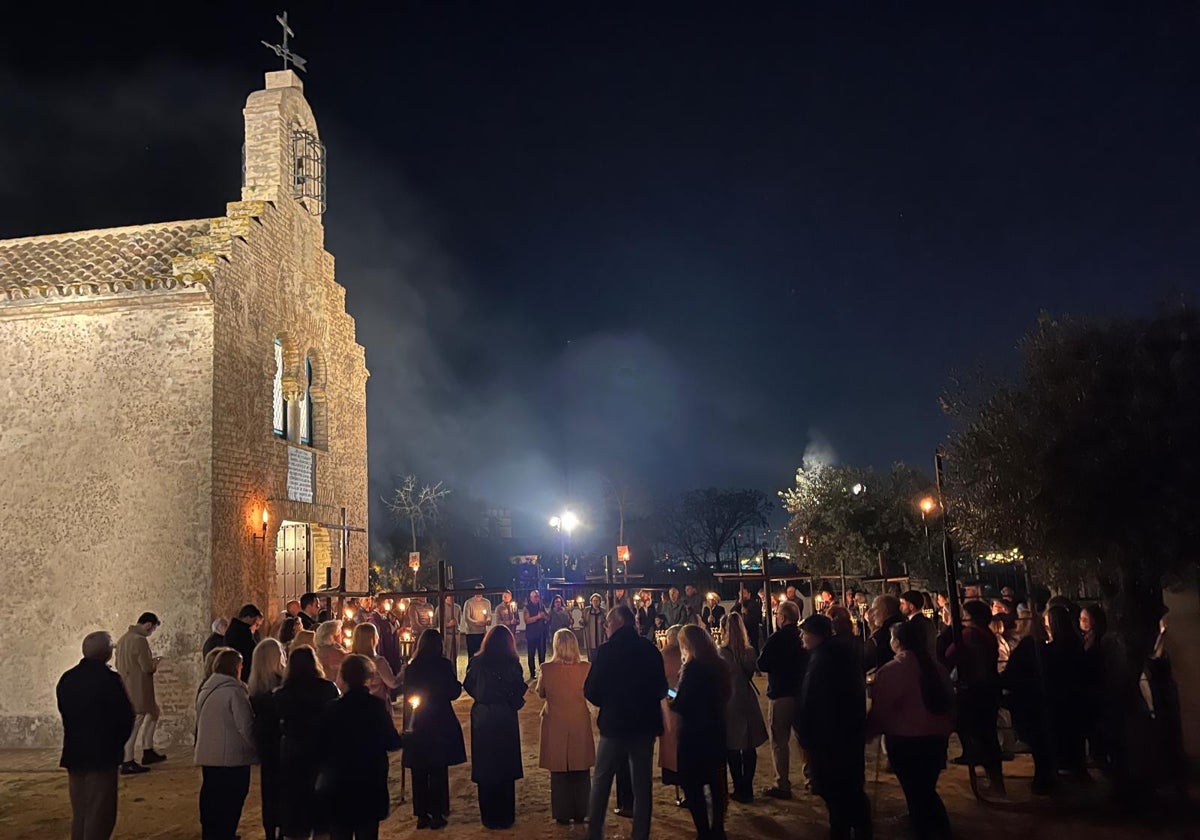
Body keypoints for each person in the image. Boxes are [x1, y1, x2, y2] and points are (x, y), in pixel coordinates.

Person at [584, 606, 667, 840]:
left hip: (615, 725)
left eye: (607, 623)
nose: (605, 627)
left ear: (618, 622)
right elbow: (661, 687)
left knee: (601, 781)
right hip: (644, 726)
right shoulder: (650, 650)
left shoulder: (606, 652)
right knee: (642, 787)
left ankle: (594, 834)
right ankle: (640, 835)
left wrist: (608, 703)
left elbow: (590, 690)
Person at [867, 621, 954, 840]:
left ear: (896, 642)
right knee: (924, 789)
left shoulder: (894, 670)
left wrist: (870, 730)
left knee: (918, 792)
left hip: (907, 740)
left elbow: (882, 708)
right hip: (936, 738)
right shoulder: (935, 666)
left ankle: (928, 829)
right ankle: (934, 828)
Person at [797, 615, 872, 840]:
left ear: (816, 635)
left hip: (831, 739)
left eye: (804, 633)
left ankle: (846, 830)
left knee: (838, 792)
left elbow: (816, 701)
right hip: (845, 735)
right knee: (848, 789)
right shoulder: (836, 654)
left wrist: (806, 733)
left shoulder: (824, 659)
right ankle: (857, 828)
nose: (801, 637)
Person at [57, 631, 135, 840]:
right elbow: (125, 718)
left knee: (80, 812)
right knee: (100, 815)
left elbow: (65, 712)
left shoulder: (67, 678)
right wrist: (116, 745)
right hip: (102, 756)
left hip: (75, 753)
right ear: (107, 652)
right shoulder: (109, 680)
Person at [319, 655, 404, 840]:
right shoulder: (375, 707)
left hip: (339, 782)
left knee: (340, 832)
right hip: (369, 781)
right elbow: (392, 742)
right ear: (368, 678)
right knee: (367, 832)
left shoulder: (332, 708)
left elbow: (321, 744)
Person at [464, 625, 528, 829]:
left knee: (486, 765)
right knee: (505, 764)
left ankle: (489, 815)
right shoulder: (512, 663)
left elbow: (469, 684)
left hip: (483, 717)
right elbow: (519, 688)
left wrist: (482, 699)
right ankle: (505, 814)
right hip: (504, 716)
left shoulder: (477, 662)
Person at [672, 625, 732, 840]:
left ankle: (704, 832)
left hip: (693, 735)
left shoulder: (692, 668)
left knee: (693, 785)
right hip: (715, 729)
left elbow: (682, 702)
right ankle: (718, 829)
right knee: (716, 784)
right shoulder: (719, 665)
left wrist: (672, 698)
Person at [403, 629, 467, 829]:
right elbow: (453, 691)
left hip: (419, 720)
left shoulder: (413, 668)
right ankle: (437, 813)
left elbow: (407, 692)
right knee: (438, 769)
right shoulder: (443, 665)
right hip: (439, 720)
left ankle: (422, 814)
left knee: (419, 769)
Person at [276, 645, 340, 839]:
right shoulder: (328, 689)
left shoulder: (282, 694)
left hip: (294, 755)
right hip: (322, 754)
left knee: (297, 809)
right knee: (321, 814)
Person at [195, 648, 257, 840]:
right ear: (236, 667)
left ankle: (211, 833)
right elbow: (246, 726)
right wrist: (257, 747)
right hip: (231, 757)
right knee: (232, 799)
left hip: (209, 755)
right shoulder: (234, 692)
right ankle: (225, 833)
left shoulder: (206, 689)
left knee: (211, 797)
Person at [947, 599, 1006, 797]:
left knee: (981, 736)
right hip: (988, 686)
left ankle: (994, 782)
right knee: (987, 735)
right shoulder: (987, 633)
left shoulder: (969, 634)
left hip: (974, 688)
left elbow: (950, 653)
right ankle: (996, 780)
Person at [537, 628, 596, 824]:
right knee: (580, 769)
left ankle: (562, 812)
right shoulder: (586, 668)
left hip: (555, 721)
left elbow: (541, 692)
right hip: (579, 719)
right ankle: (581, 810)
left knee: (559, 771)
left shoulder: (546, 669)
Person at [756, 600, 806, 799]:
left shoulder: (776, 638)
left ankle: (782, 782)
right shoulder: (803, 636)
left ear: (782, 618)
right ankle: (811, 778)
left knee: (780, 740)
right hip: (802, 693)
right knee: (803, 738)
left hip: (781, 693)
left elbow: (762, 663)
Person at [719, 612, 767, 803]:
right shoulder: (749, 651)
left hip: (730, 700)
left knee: (732, 746)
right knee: (748, 745)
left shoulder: (722, 653)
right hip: (747, 698)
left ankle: (739, 785)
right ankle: (747, 786)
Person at [116, 612, 164, 774]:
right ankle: (127, 760)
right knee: (137, 722)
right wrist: (155, 662)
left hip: (128, 684)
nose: (150, 633)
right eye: (151, 630)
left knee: (154, 713)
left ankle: (148, 749)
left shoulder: (123, 639)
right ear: (148, 625)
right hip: (139, 687)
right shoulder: (139, 640)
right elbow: (147, 667)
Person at [248, 638, 286, 840]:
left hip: (265, 746)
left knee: (269, 791)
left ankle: (270, 831)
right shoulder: (282, 687)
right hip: (280, 744)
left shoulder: (254, 689)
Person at [657, 625, 684, 791]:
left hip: (669, 702)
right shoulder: (687, 655)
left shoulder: (663, 656)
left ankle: (672, 773)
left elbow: (659, 681)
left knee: (670, 738)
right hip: (682, 701)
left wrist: (669, 694)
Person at [351, 623, 400, 707]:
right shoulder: (379, 662)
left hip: (355, 704)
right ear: (373, 639)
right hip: (377, 705)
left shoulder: (350, 660)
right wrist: (403, 672)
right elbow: (392, 683)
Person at [225, 605, 264, 683]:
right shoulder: (242, 632)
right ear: (248, 617)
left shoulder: (240, 629)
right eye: (255, 621)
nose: (255, 626)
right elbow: (248, 650)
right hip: (242, 671)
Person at [866, 595, 905, 673]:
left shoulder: (884, 633)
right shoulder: (905, 624)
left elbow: (872, 659)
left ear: (884, 610)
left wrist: (872, 628)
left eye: (875, 609)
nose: (873, 614)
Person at [523, 590, 549, 681]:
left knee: (542, 654)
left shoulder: (541, 606)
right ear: (531, 598)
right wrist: (537, 617)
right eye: (535, 596)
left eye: (538, 596)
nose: (536, 598)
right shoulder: (527, 608)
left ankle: (543, 672)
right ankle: (532, 673)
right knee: (531, 654)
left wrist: (544, 616)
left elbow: (547, 617)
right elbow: (526, 620)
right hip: (531, 635)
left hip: (541, 634)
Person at [900, 590, 936, 655]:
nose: (901, 607)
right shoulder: (928, 622)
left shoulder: (910, 626)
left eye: (903, 603)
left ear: (911, 606)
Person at [315, 620, 347, 692]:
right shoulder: (337, 653)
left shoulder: (318, 651)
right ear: (333, 636)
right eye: (340, 633)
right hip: (334, 690)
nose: (342, 635)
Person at [463, 586, 493, 658]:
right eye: (477, 590)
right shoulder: (469, 602)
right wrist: (477, 623)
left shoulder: (486, 602)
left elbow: (489, 615)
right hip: (471, 633)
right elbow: (467, 618)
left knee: (482, 654)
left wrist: (488, 620)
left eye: (480, 590)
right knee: (472, 654)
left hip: (482, 633)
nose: (478, 592)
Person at [440, 595, 463, 671]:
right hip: (447, 634)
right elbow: (437, 623)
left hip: (455, 634)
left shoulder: (457, 608)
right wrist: (448, 624)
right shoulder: (440, 608)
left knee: (455, 654)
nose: (451, 599)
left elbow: (459, 620)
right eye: (449, 597)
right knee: (447, 654)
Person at [582, 594, 608, 659]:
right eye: (594, 600)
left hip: (600, 636)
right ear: (591, 601)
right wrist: (582, 622)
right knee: (591, 656)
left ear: (599, 601)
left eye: (597, 600)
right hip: (590, 637)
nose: (595, 602)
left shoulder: (603, 611)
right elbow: (582, 620)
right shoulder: (586, 610)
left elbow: (606, 621)